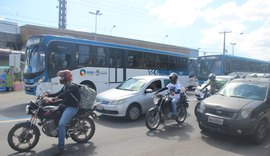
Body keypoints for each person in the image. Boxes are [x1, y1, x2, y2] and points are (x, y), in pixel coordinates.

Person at [44, 70, 80, 154]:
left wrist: (54, 99)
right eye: (61, 77)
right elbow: (59, 93)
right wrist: (47, 95)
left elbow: (63, 94)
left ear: (67, 77)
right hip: (64, 106)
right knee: (52, 113)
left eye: (62, 77)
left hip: (72, 108)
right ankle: (57, 131)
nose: (61, 78)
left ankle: (61, 147)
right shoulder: (65, 86)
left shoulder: (72, 86)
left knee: (61, 124)